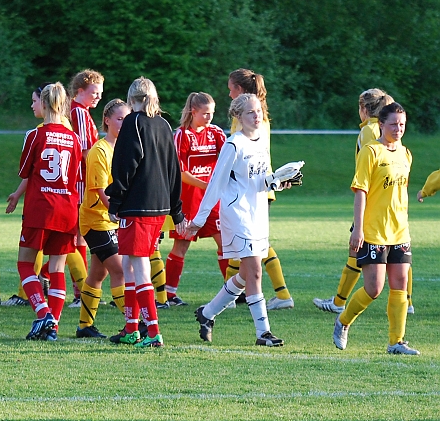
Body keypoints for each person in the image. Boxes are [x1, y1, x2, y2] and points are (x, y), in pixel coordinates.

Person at [192, 94, 302, 347]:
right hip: (237, 213)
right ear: (238, 117)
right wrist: (199, 219)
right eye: (250, 112)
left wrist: (279, 181)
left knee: (244, 274)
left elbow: (261, 180)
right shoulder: (234, 144)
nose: (257, 115)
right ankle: (263, 333)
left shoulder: (261, 140)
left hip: (258, 213)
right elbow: (216, 184)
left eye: (259, 110)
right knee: (254, 270)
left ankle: (207, 313)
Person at [312, 89, 411, 313]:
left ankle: (339, 304)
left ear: (364, 109)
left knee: (369, 256)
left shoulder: (370, 132)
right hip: (384, 210)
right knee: (377, 255)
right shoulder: (383, 132)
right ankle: (339, 302)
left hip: (375, 207)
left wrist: (359, 222)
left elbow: (369, 171)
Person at [332, 102, 418, 355]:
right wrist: (358, 229)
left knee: (400, 283)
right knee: (374, 289)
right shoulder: (370, 152)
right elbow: (361, 191)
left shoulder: (406, 154)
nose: (398, 128)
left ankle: (396, 342)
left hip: (399, 231)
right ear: (381, 124)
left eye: (402, 124)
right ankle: (343, 321)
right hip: (373, 231)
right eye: (393, 123)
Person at [106, 77, 185, 348]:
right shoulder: (163, 124)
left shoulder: (133, 122)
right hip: (159, 206)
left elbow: (125, 165)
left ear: (131, 99)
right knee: (129, 264)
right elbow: (174, 168)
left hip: (137, 205)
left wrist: (115, 200)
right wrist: (176, 210)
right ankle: (131, 329)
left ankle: (153, 333)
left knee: (138, 266)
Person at [8, 82, 81, 341]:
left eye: (36, 101)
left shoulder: (35, 135)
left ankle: (43, 314)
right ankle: (53, 328)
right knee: (58, 269)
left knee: (25, 264)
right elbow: (74, 178)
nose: (32, 105)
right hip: (67, 209)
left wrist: (17, 194)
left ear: (47, 103)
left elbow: (26, 171)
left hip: (41, 208)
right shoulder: (74, 138)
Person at [226, 69, 293, 310]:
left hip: (254, 187)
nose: (229, 92)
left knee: (255, 244)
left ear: (241, 90)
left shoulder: (250, 116)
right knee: (246, 243)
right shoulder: (253, 113)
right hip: (254, 186)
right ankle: (235, 294)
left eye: (231, 88)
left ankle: (280, 294)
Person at [163, 92, 227, 307]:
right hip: (189, 200)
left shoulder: (216, 133)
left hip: (212, 201)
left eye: (212, 113)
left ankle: (231, 291)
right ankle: (169, 294)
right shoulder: (181, 135)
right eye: (205, 114)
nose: (209, 118)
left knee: (224, 243)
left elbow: (228, 159)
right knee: (181, 246)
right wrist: (207, 186)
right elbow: (180, 172)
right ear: (193, 112)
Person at [75, 98, 129, 338]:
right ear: (107, 120)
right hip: (97, 219)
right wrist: (117, 214)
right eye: (119, 119)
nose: (124, 123)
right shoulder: (99, 150)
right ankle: (134, 324)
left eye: (127, 119)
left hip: (112, 219)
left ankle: (84, 326)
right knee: (119, 271)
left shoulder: (125, 148)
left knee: (98, 273)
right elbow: (99, 190)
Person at [66, 69, 103, 307]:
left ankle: (80, 290)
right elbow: (84, 151)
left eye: (100, 93)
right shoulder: (79, 112)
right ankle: (81, 291)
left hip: (81, 181)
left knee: (78, 237)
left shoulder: (81, 111)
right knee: (78, 237)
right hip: (81, 182)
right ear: (80, 91)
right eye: (94, 92)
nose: (98, 97)